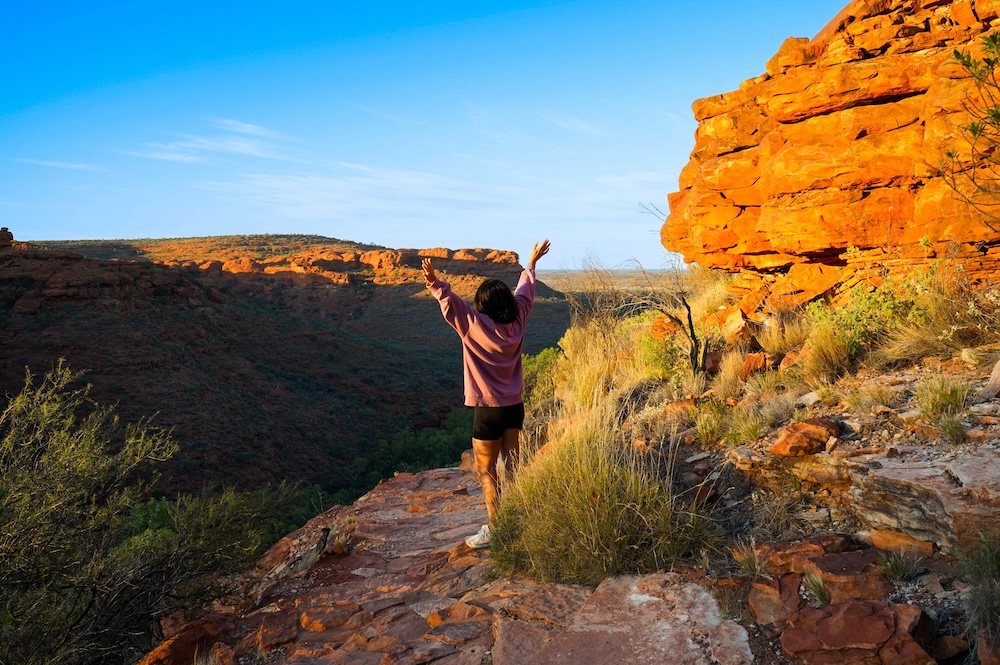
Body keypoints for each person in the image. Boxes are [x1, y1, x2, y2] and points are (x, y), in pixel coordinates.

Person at [423, 239, 551, 549]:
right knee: (514, 465)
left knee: (486, 470)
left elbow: (451, 303)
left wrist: (434, 283)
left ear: (483, 306)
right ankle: (520, 520)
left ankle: (496, 528)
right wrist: (530, 264)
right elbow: (525, 291)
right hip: (514, 406)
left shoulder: (474, 325)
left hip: (488, 410)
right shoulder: (519, 318)